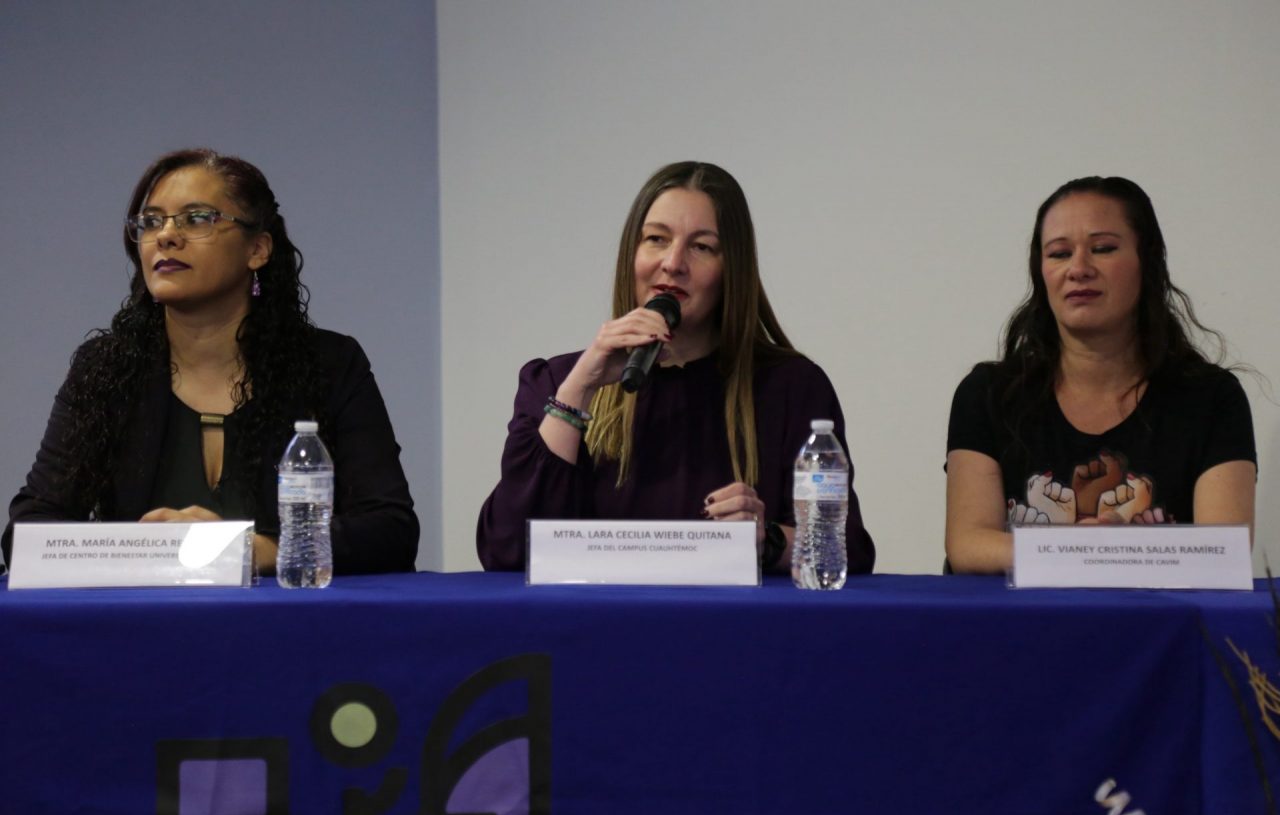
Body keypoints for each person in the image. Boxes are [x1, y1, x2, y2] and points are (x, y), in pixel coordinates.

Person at [2, 149, 418, 574]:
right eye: (151, 222)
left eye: (197, 218)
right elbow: (28, 532)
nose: (166, 236)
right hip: (141, 614)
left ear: (257, 249)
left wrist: (253, 551)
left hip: (285, 612)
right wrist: (141, 551)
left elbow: (391, 531)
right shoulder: (106, 370)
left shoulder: (329, 365)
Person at [477, 161, 875, 574]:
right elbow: (507, 550)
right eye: (656, 239)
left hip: (731, 615)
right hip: (595, 614)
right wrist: (579, 388)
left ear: (732, 268)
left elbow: (845, 549)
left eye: (701, 247)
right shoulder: (557, 381)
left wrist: (768, 540)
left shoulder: (791, 386)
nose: (673, 263)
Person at [945, 176, 1256, 574]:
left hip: (1156, 615)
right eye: (1059, 254)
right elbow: (968, 546)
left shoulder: (1211, 397)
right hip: (1019, 615)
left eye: (1103, 248)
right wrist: (1086, 549)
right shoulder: (988, 393)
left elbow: (1223, 553)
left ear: (1148, 260)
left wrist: (1098, 550)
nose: (1078, 269)